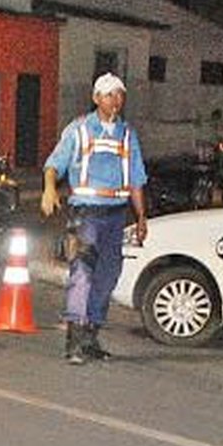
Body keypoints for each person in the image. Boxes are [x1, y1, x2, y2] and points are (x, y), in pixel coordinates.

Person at [42, 73, 147, 365]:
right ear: (96, 98)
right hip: (86, 213)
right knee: (83, 274)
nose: (116, 101)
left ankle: (91, 336)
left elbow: (137, 179)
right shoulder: (79, 130)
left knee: (108, 274)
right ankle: (74, 341)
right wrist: (49, 189)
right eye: (110, 95)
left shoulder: (127, 134)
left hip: (116, 214)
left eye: (119, 95)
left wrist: (141, 217)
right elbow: (54, 165)